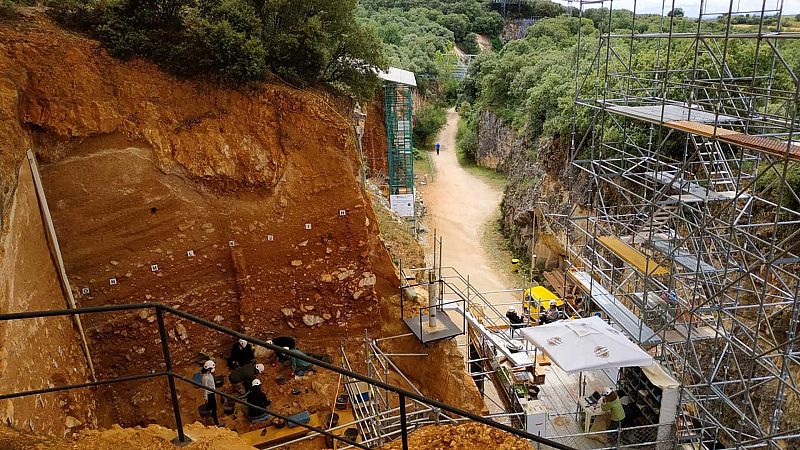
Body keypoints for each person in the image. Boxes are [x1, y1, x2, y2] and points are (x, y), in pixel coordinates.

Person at [201, 360, 219, 426]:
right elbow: (205, 388)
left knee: (212, 407)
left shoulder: (209, 374)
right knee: (214, 408)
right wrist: (206, 398)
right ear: (209, 369)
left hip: (212, 393)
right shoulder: (205, 378)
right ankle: (216, 422)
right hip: (209, 395)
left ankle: (210, 418)